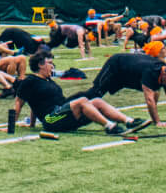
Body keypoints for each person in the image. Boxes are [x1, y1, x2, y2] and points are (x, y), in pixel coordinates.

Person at [11, 50, 144, 135]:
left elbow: (35, 103)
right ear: (40, 65)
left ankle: (129, 121)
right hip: (50, 120)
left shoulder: (48, 81)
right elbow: (19, 102)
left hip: (61, 115)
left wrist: (32, 124)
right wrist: (11, 127)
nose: (52, 66)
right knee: (82, 101)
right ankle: (109, 126)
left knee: (96, 101)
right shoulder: (30, 81)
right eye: (50, 63)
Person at [86, 50, 166, 126]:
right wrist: (157, 122)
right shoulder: (151, 71)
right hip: (116, 65)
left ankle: (84, 108)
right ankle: (78, 106)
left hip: (127, 76)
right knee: (96, 92)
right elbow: (149, 100)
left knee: (157, 90)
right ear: (164, 74)